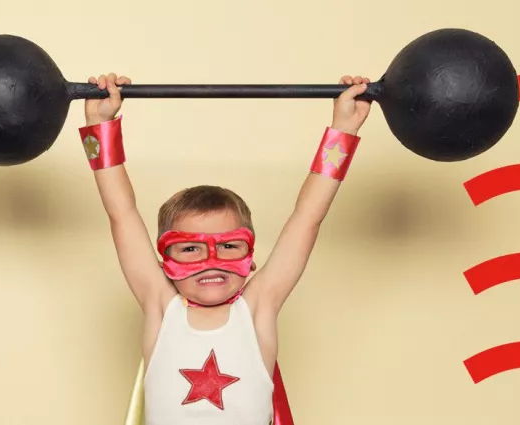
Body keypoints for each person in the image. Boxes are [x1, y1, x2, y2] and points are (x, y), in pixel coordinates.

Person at [78, 72, 372, 425]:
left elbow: (306, 217)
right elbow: (121, 214)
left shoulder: (257, 307)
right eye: (189, 249)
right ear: (163, 261)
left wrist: (344, 129)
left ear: (251, 260)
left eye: (229, 245)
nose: (209, 263)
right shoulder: (161, 307)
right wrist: (99, 127)